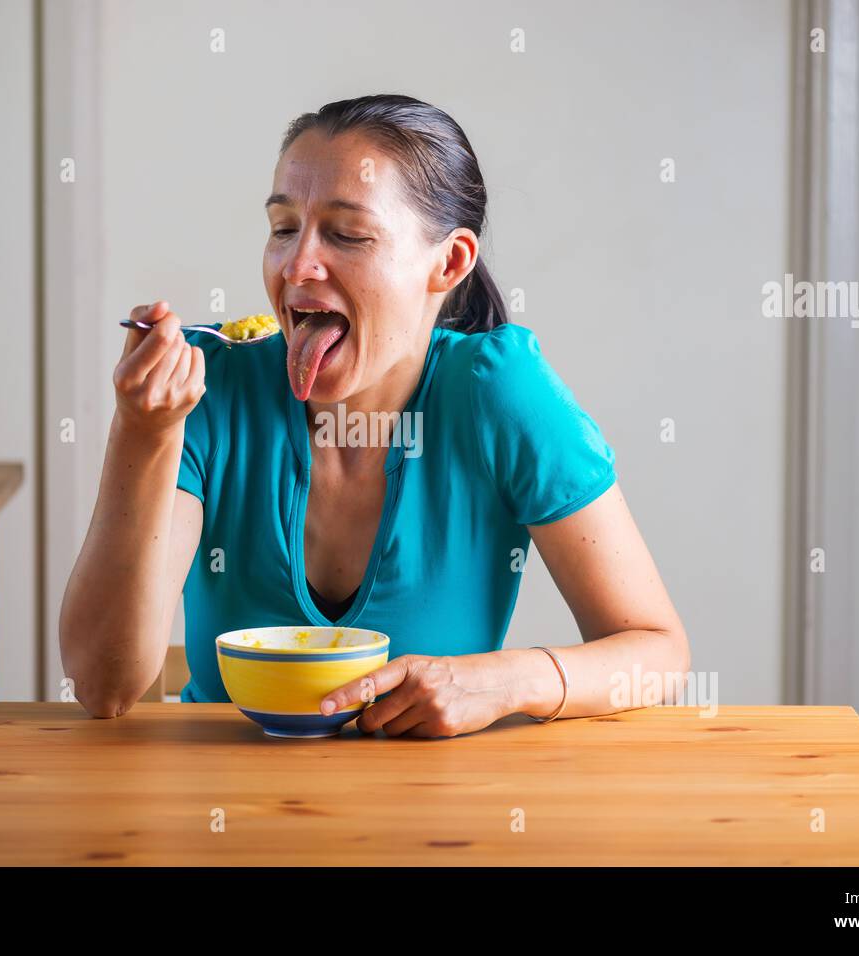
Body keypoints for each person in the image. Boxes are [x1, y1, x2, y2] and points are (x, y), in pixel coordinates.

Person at [60, 93, 689, 737]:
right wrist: (143, 434)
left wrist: (500, 680)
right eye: (283, 228)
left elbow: (657, 651)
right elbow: (103, 687)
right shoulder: (209, 391)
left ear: (449, 263)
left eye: (347, 234)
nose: (297, 265)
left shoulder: (498, 394)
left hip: (431, 821)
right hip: (220, 810)